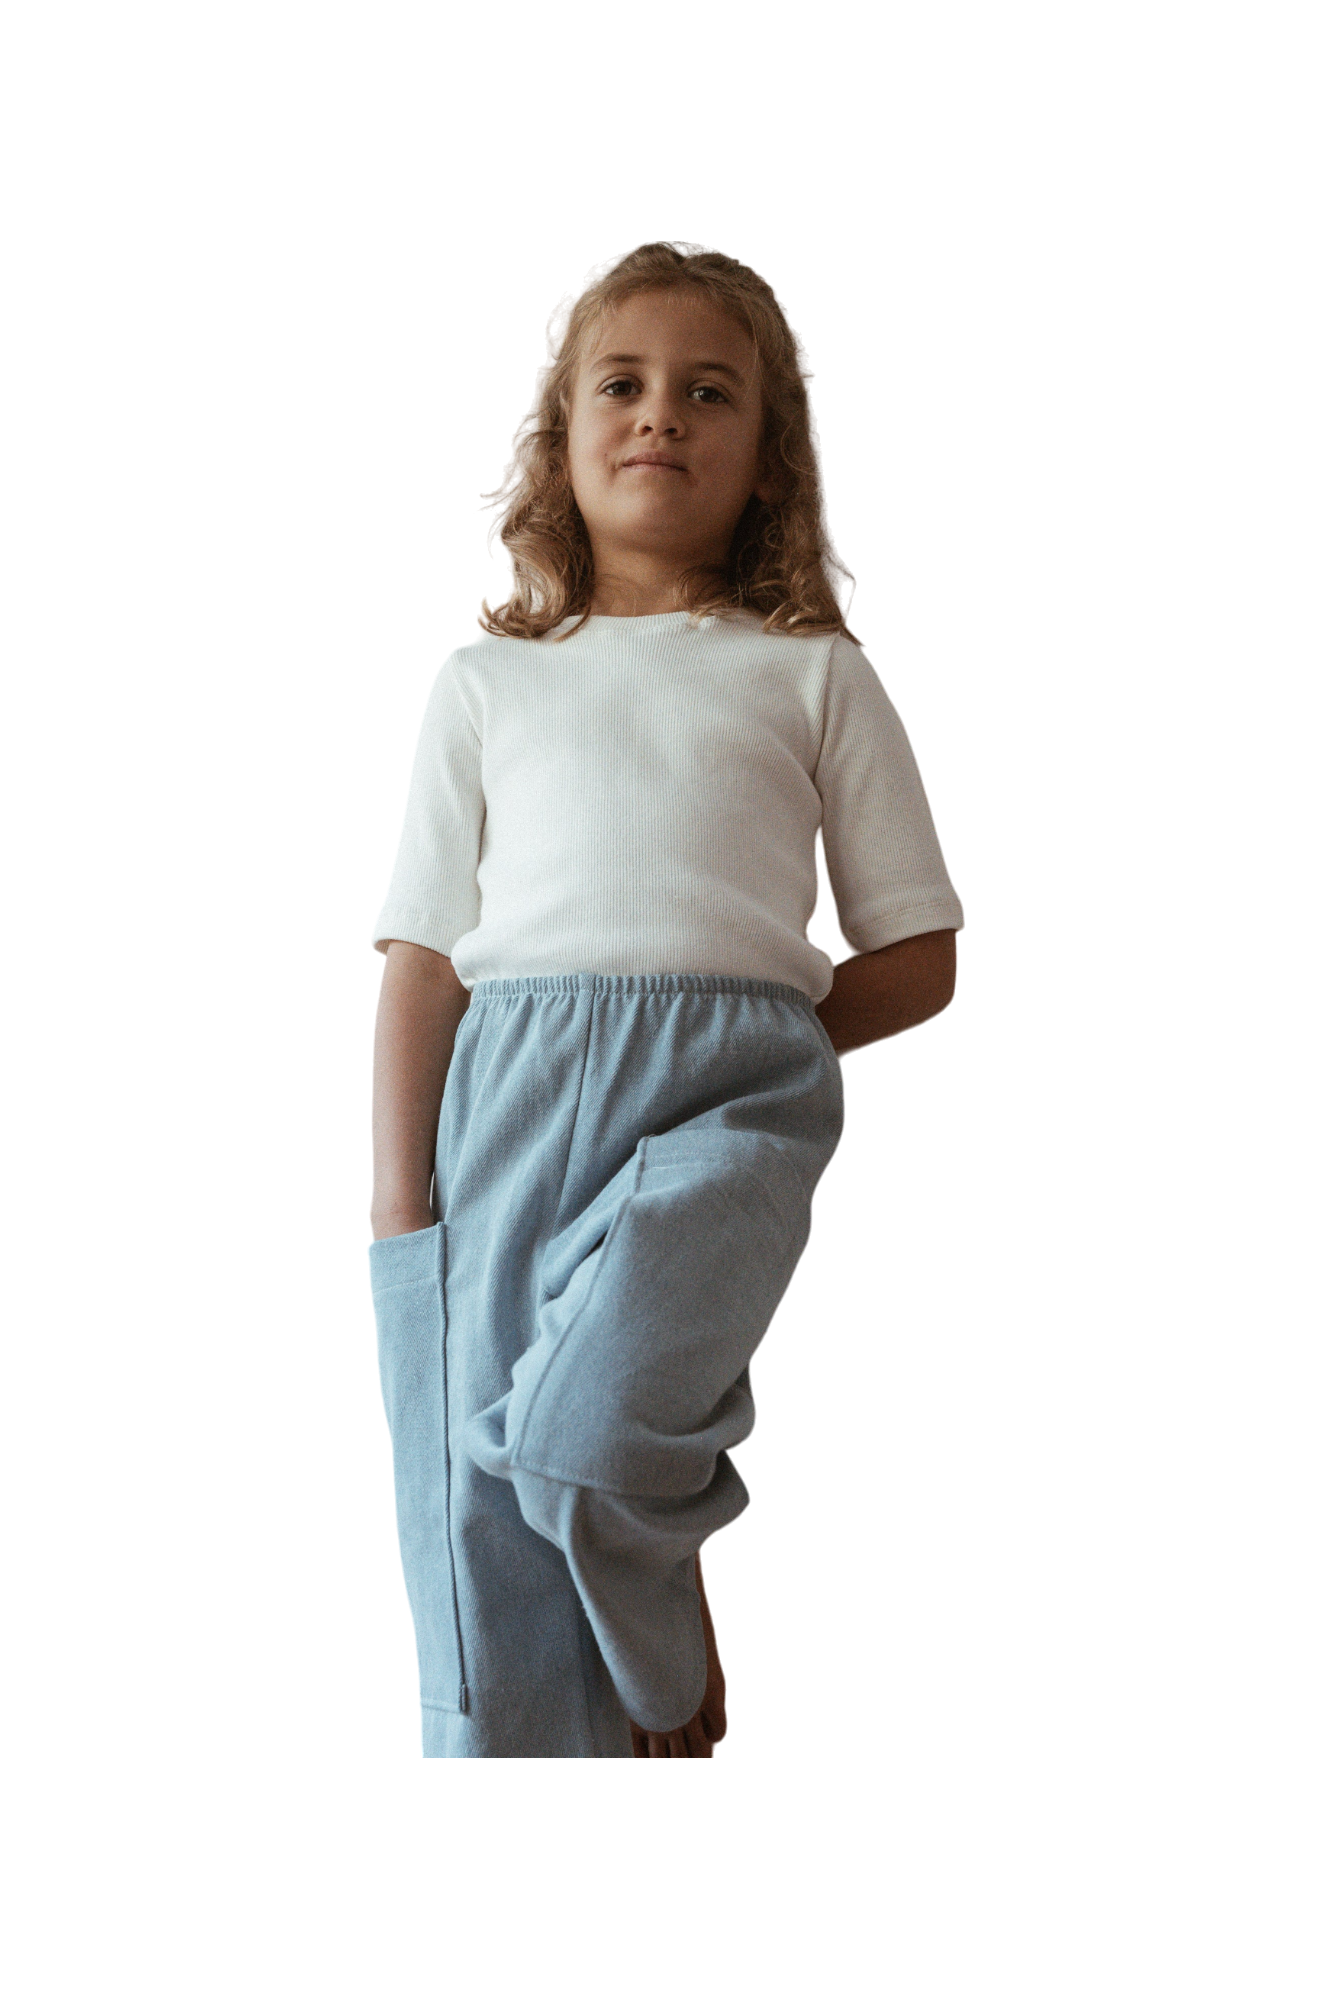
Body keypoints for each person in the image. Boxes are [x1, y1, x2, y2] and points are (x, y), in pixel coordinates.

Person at [368, 241, 964, 1758]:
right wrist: (399, 1201)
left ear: (769, 462)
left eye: (710, 394)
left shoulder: (817, 673)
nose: (660, 416)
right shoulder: (483, 683)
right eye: (621, 387)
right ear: (559, 441)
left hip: (736, 1094)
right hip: (507, 1099)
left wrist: (763, 1040)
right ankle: (602, 1622)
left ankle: (647, 1568)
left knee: (583, 1435)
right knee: (486, 1520)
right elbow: (423, 958)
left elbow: (920, 956)